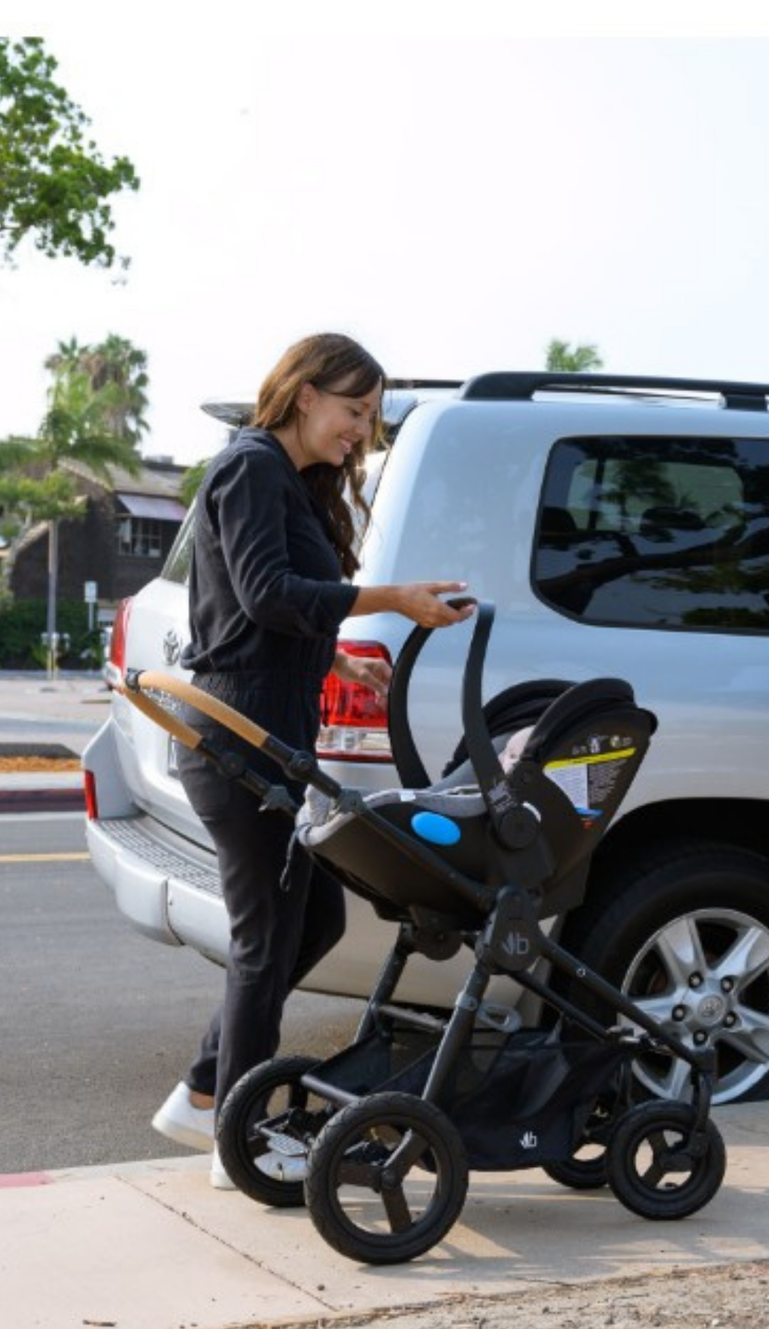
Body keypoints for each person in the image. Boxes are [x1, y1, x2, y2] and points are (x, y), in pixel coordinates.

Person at [151, 332, 472, 1188]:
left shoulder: (280, 477)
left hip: (267, 735)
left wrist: (332, 656)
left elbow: (244, 609)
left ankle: (204, 1091)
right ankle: (238, 1138)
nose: (360, 433)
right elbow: (265, 596)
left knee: (317, 921)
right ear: (304, 395)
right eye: (353, 411)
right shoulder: (252, 466)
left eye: (369, 417)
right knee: (267, 942)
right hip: (238, 739)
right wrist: (392, 600)